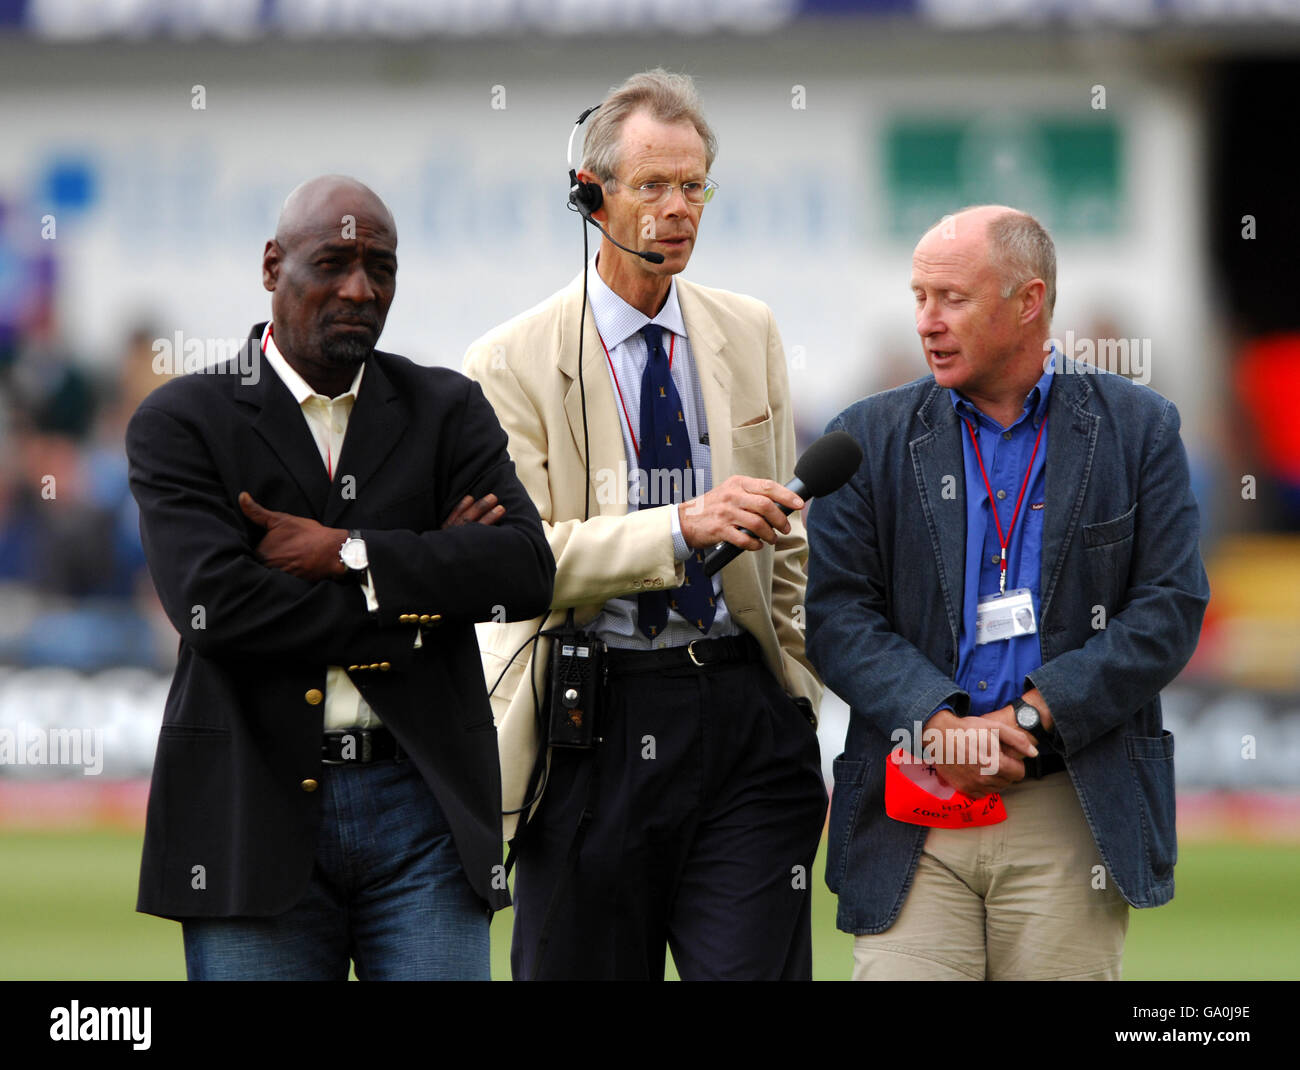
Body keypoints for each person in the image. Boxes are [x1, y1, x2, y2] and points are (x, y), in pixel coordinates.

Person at [125, 175, 554, 980]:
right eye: (334, 263)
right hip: (250, 813)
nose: (360, 288)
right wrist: (418, 598)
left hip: (424, 806)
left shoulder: (446, 409)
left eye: (380, 268)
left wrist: (348, 552)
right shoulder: (183, 422)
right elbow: (218, 611)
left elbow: (525, 571)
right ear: (271, 266)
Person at [464, 70, 827, 981]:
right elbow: (514, 561)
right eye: (652, 185)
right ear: (590, 196)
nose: (678, 208)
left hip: (745, 720)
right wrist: (678, 528)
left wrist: (796, 702)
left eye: (693, 185)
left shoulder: (752, 331)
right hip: (590, 726)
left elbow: (787, 551)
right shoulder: (507, 361)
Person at [805, 205, 1209, 981]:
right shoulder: (867, 435)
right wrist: (939, 720)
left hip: (1071, 803)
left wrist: (1031, 715)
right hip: (914, 804)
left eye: (951, 298)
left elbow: (1168, 609)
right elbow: (836, 617)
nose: (927, 321)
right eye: (918, 296)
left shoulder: (1139, 428)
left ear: (1028, 302)